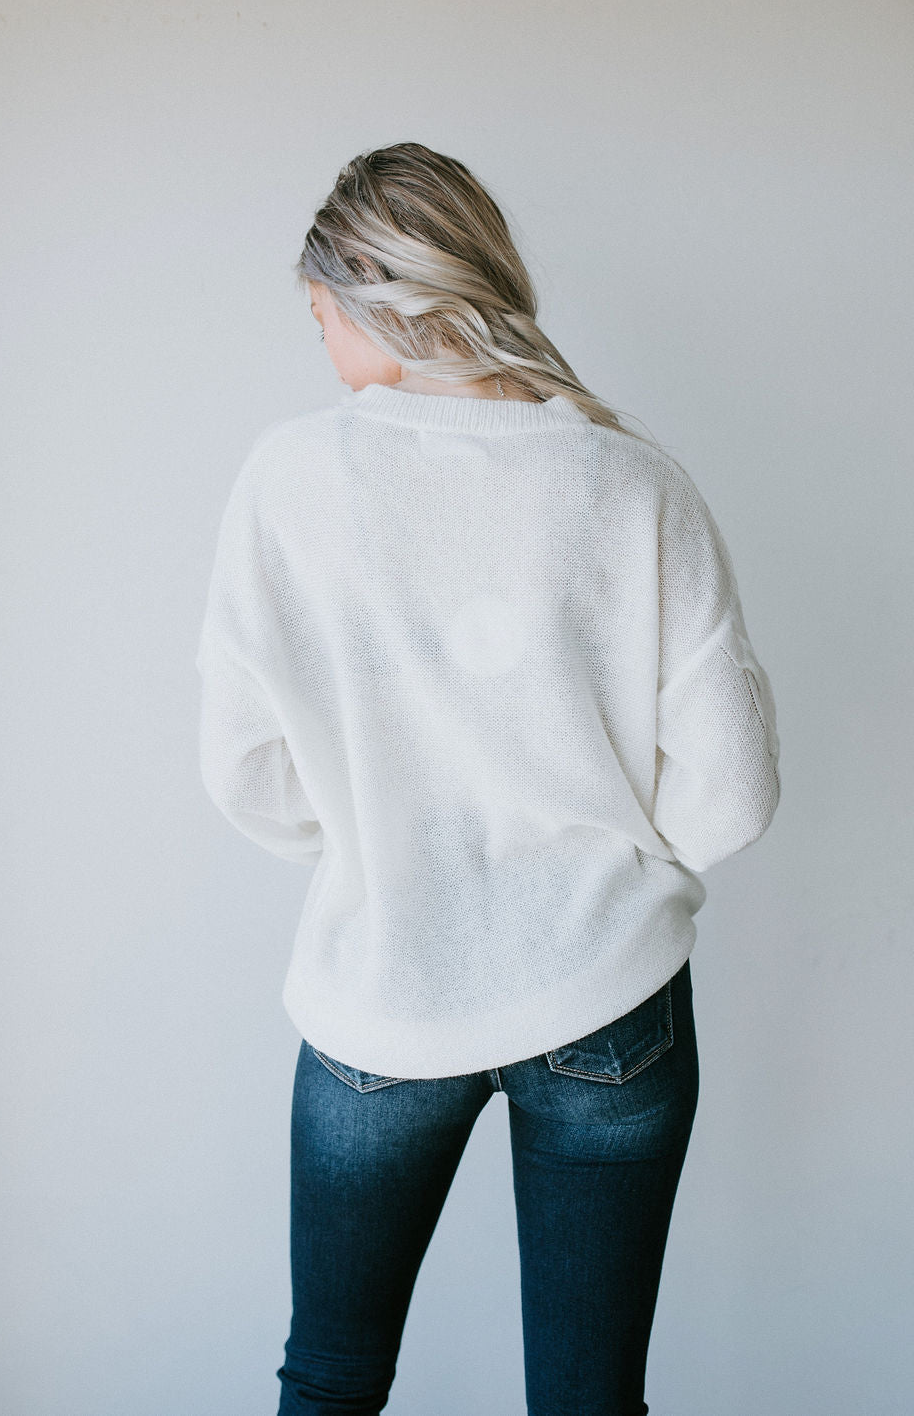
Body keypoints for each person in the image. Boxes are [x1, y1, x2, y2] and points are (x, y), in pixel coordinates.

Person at [194, 142, 781, 1416]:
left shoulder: (290, 478)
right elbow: (731, 795)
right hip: (609, 998)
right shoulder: (629, 480)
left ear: (366, 294)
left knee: (329, 1377)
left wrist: (378, 836)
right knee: (586, 1399)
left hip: (381, 996)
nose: (319, 340)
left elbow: (246, 772)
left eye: (317, 312)